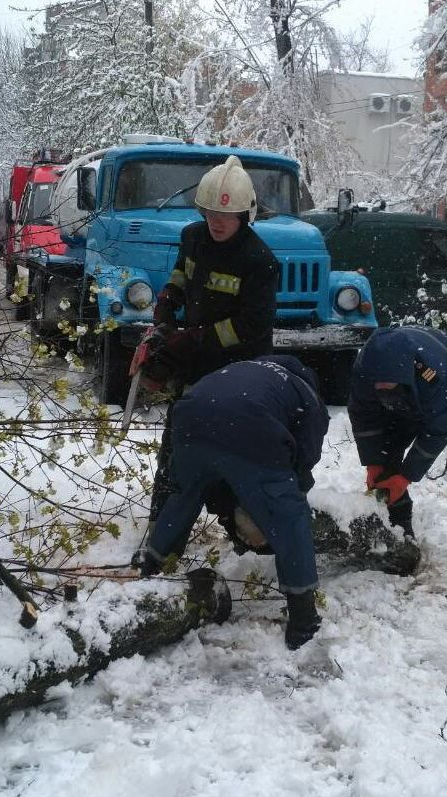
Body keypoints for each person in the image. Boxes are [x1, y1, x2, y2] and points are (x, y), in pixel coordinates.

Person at [139, 355, 330, 650]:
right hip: (248, 423)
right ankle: (303, 615)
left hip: (190, 415)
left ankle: (152, 568)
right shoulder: (307, 394)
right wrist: (278, 505)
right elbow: (303, 461)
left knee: (184, 495)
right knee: (289, 513)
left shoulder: (243, 369)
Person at [136, 155, 281, 542]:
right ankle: (161, 535)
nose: (216, 222)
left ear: (245, 216)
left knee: (234, 449)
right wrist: (168, 300)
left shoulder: (259, 262)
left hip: (241, 370)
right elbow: (183, 273)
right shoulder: (193, 237)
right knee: (178, 447)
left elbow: (252, 326)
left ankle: (244, 528)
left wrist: (195, 338)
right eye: (209, 213)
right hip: (195, 359)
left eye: (225, 215)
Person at [347, 326, 447, 586]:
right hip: (412, 390)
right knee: (386, 449)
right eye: (376, 387)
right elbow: (364, 417)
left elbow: (439, 429)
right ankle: (402, 533)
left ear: (404, 372)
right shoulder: (364, 372)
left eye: (386, 386)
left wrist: (406, 477)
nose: (380, 389)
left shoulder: (433, 374)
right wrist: (374, 464)